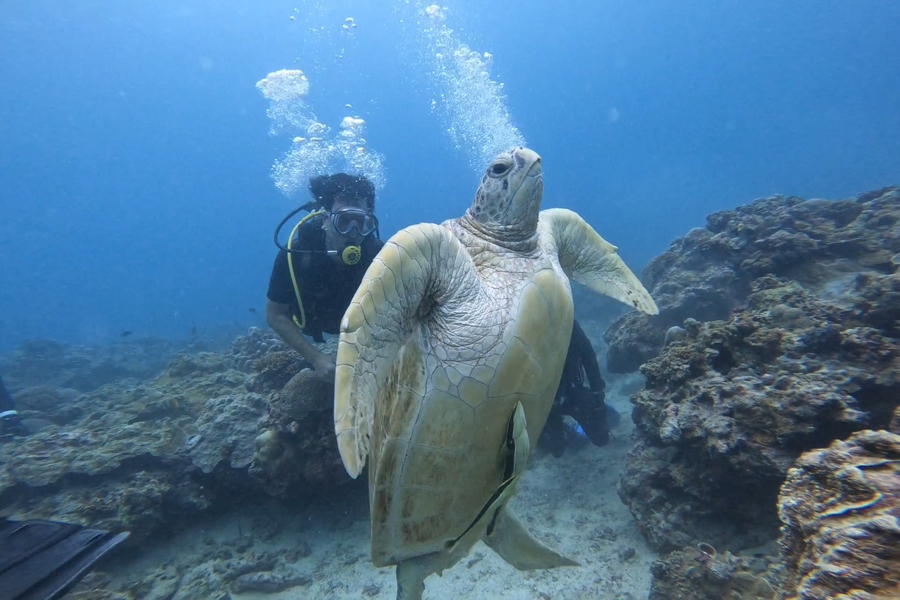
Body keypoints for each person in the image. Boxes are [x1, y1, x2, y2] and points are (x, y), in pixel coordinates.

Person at [266, 173, 384, 381]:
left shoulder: (380, 257)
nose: (353, 233)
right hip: (315, 323)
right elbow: (275, 314)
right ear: (325, 219)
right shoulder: (295, 254)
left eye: (361, 222)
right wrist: (315, 357)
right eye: (344, 221)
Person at [540, 319, 619, 457]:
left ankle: (605, 412)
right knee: (557, 449)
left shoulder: (564, 319)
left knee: (601, 438)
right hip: (544, 401)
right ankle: (570, 432)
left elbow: (587, 353)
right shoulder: (522, 325)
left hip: (573, 391)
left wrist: (597, 391)